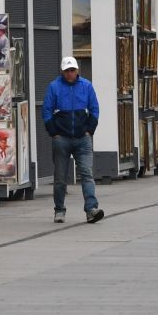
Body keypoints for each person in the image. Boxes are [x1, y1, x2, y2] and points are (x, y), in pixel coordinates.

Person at [41, 55, 103, 224]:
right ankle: (59, 209)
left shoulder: (86, 86)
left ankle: (91, 209)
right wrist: (53, 132)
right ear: (62, 71)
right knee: (60, 177)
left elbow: (94, 109)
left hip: (83, 138)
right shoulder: (54, 87)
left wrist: (90, 130)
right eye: (67, 70)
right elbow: (46, 111)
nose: (70, 73)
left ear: (77, 71)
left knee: (87, 174)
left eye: (73, 70)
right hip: (62, 139)